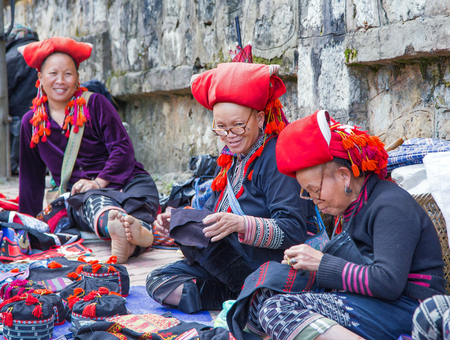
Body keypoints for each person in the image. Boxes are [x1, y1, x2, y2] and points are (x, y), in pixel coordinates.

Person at [241, 110, 446, 340]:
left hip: (411, 309)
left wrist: (321, 263)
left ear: (343, 176)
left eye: (315, 190)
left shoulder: (391, 205)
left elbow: (388, 283)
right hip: (378, 303)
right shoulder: (352, 207)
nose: (314, 200)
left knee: (278, 310)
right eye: (307, 193)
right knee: (266, 296)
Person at [146, 62, 315, 313]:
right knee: (158, 281)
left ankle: (254, 293)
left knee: (187, 225)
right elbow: (213, 214)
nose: (230, 135)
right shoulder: (230, 158)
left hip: (265, 263)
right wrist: (174, 219)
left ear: (259, 119)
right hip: (230, 262)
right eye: (221, 127)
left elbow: (293, 230)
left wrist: (240, 224)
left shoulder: (276, 158)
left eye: (238, 125)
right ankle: (243, 295)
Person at [17, 37, 159, 264]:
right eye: (53, 74)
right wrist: (25, 226)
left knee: (138, 203)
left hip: (129, 182)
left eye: (68, 74)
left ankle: (133, 232)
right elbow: (30, 179)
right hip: (84, 195)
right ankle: (125, 229)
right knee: (90, 201)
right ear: (40, 78)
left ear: (77, 78)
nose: (60, 81)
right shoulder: (32, 123)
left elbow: (123, 150)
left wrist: (99, 181)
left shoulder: (95, 104)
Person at [5, 24, 39, 175]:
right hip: (42, 109)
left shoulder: (11, 57)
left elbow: (5, 87)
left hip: (18, 114)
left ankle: (15, 167)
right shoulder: (41, 51)